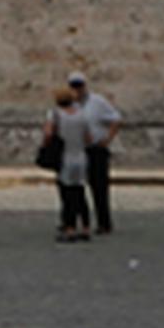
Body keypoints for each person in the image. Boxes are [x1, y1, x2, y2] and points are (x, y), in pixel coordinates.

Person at [69, 72, 122, 234]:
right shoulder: (70, 104)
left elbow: (116, 119)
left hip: (96, 149)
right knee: (75, 187)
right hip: (76, 149)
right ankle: (78, 221)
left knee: (99, 187)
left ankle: (104, 222)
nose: (77, 89)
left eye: (79, 85)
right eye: (73, 86)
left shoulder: (97, 102)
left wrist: (107, 139)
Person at [45, 87, 96, 242]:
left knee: (67, 195)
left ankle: (70, 228)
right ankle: (86, 227)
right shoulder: (82, 115)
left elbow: (48, 133)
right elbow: (89, 138)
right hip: (81, 157)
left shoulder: (55, 114)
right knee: (80, 193)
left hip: (65, 158)